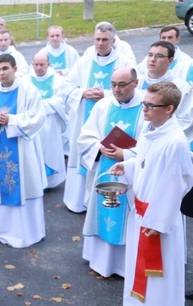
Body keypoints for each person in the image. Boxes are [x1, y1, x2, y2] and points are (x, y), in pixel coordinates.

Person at [108, 82, 193, 306]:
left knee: (159, 270)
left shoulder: (175, 141)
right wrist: (129, 166)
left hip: (158, 217)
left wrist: (157, 222)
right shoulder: (150, 129)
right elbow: (146, 163)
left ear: (168, 109)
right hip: (142, 211)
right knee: (137, 261)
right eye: (144, 103)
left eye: (150, 105)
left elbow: (175, 184)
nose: (143, 109)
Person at [0, 53, 46, 248]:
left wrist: (11, 120)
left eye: (5, 68)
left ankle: (25, 233)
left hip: (22, 149)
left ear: (15, 69)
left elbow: (37, 117)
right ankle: (0, 230)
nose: (1, 73)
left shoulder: (29, 90)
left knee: (22, 187)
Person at [77, 66, 144, 279]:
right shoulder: (103, 106)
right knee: (103, 212)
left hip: (130, 175)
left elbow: (152, 145)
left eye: (122, 85)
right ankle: (101, 261)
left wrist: (126, 154)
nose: (117, 89)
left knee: (125, 216)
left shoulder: (146, 108)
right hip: (105, 170)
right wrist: (99, 147)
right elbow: (86, 135)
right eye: (113, 85)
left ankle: (124, 266)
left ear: (136, 83)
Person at [61, 21, 136, 213]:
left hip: (113, 120)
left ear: (113, 40)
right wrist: (83, 92)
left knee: (108, 155)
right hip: (85, 120)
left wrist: (105, 93)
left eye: (104, 40)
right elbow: (66, 87)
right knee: (86, 152)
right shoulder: (85, 60)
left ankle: (107, 199)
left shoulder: (124, 62)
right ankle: (79, 202)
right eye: (97, 39)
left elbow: (134, 90)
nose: (100, 43)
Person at [137, 41, 193, 144]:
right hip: (136, 141)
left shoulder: (181, 87)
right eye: (150, 55)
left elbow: (186, 121)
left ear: (170, 60)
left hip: (164, 143)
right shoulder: (137, 82)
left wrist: (157, 136)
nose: (152, 59)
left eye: (159, 56)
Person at [30, 52, 68, 188]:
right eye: (36, 64)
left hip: (51, 123)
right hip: (33, 124)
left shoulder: (58, 80)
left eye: (42, 65)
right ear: (32, 64)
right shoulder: (25, 80)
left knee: (51, 152)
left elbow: (62, 101)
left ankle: (51, 182)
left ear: (48, 65)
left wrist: (41, 105)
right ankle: (37, 182)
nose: (39, 68)